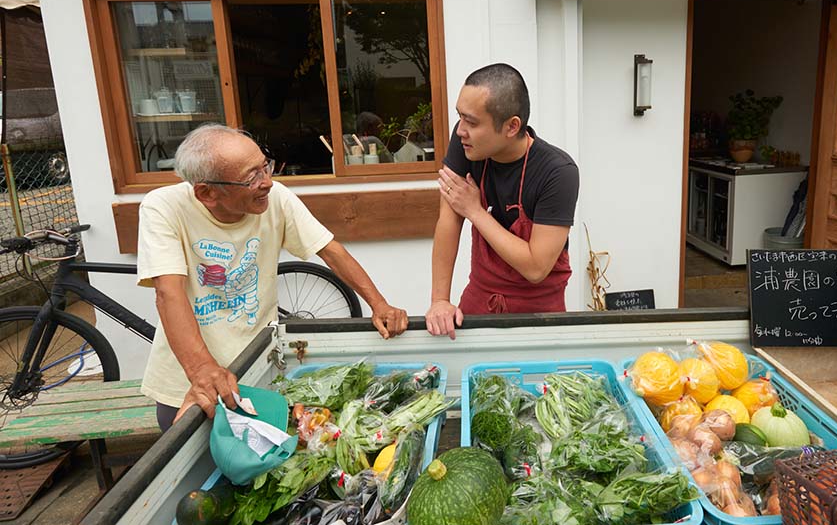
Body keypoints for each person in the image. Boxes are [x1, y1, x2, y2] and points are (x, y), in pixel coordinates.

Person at [138, 124, 408, 430]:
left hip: (258, 371)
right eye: (251, 177)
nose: (267, 182)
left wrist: (379, 304)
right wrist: (202, 370)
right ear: (207, 192)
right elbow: (168, 293)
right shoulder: (164, 207)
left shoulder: (275, 197)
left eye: (265, 166)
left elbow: (329, 249)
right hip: (191, 385)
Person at [425, 63, 579, 338]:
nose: (461, 130)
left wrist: (476, 211)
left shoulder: (558, 172)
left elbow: (536, 267)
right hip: (480, 297)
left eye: (471, 122)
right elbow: (448, 219)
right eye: (459, 117)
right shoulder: (466, 145)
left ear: (512, 126)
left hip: (539, 309)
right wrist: (439, 300)